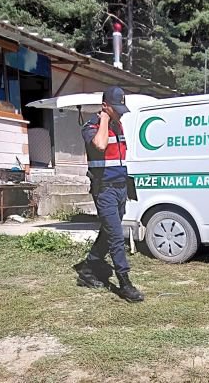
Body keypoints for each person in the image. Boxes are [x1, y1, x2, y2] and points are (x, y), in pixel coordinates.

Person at [73, 86, 145, 303]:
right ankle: (125, 283)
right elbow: (100, 145)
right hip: (104, 189)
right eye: (116, 109)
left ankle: (87, 270)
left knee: (108, 231)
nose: (121, 114)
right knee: (115, 236)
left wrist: (111, 118)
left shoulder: (117, 124)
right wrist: (104, 118)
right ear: (105, 106)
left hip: (121, 187)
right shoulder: (91, 126)